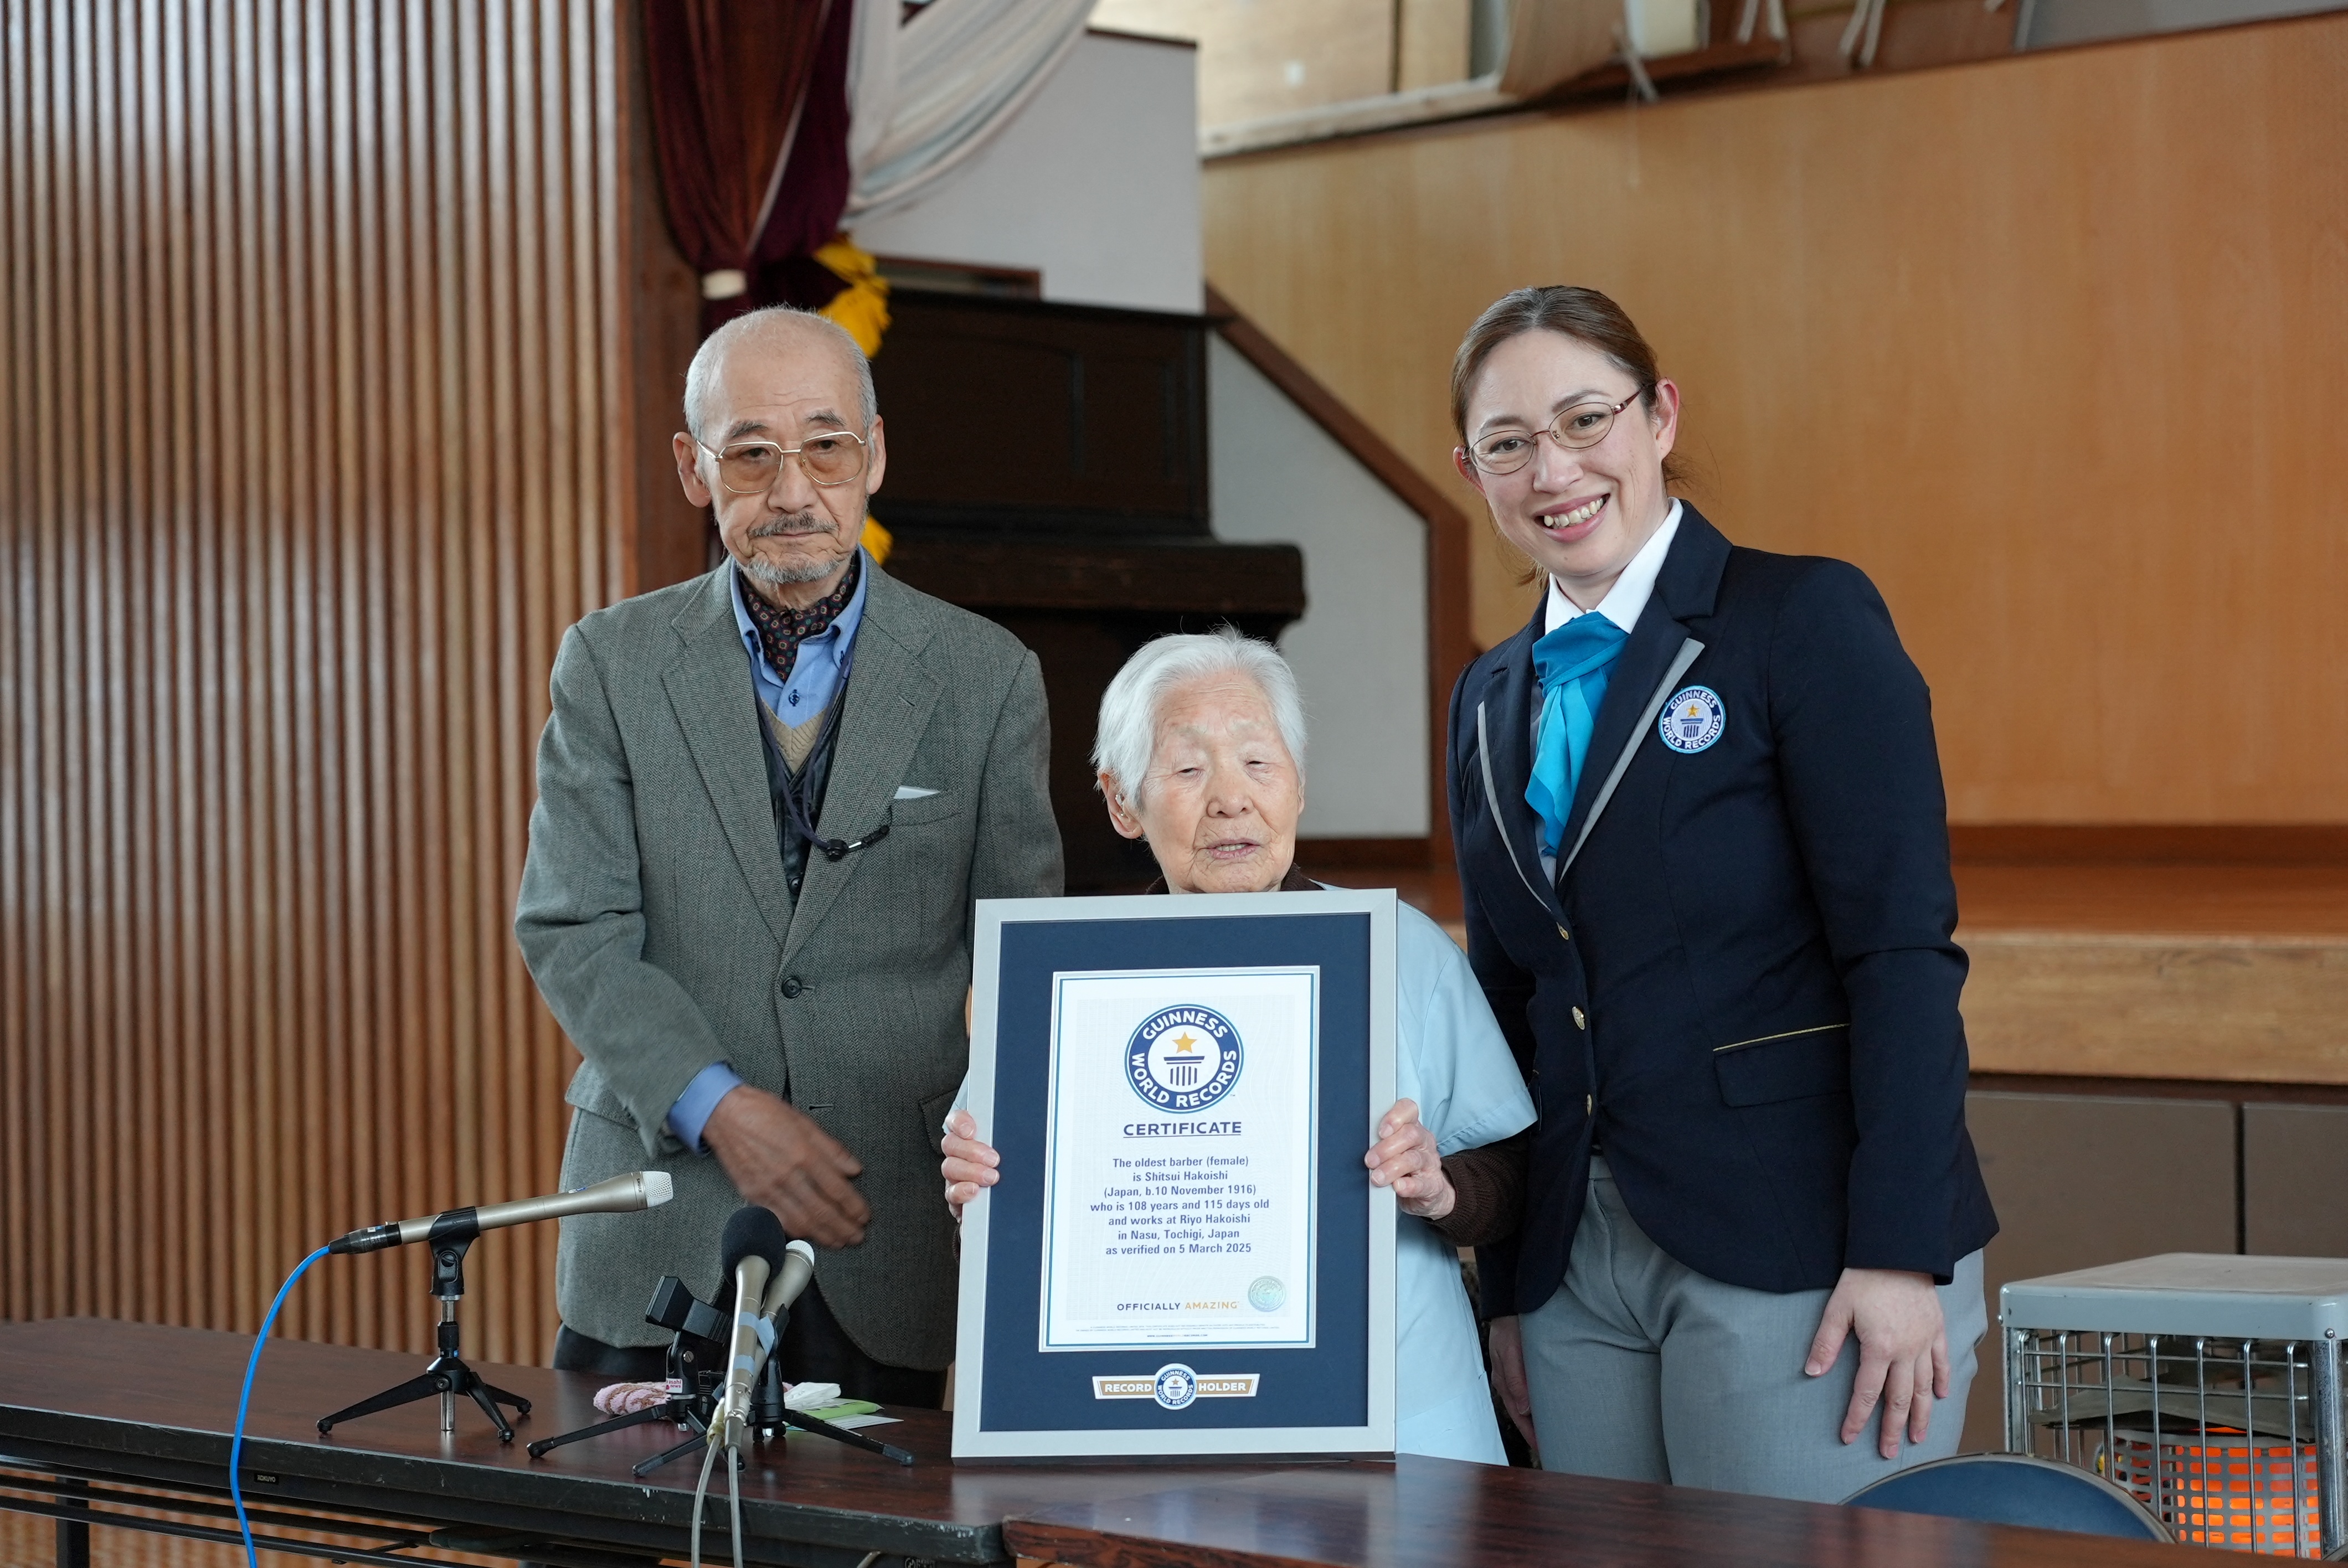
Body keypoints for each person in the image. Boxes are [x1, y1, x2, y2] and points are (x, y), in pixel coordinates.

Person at [1442, 286, 1997, 1501]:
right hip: (1572, 1269)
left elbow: (1899, 953)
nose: (1555, 468)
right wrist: (1504, 1290)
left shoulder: (1799, 619)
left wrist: (1899, 1255)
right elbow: (1504, 1005)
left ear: (1658, 415)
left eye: (1586, 419)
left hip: (1799, 1244)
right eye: (1509, 444)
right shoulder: (1486, 695)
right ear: (1472, 470)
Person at [514, 306, 1060, 1406]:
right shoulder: (609, 665)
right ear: (692, 468)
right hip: (655, 1223)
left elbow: (1024, 962)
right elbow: (571, 927)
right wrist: (715, 1104)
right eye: (751, 453)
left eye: (826, 445)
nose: (792, 489)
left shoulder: (985, 675)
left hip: (886, 1223)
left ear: (876, 454)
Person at [939, 630, 1537, 1463]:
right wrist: (979, 1198)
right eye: (1187, 770)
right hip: (1141, 1427)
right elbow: (999, 1223)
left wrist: (1439, 1190)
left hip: (1401, 1422)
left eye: (1259, 763)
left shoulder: (1402, 950)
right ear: (1120, 801)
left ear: (1298, 784)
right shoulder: (1058, 976)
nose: (1230, 799)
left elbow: (1513, 1174)